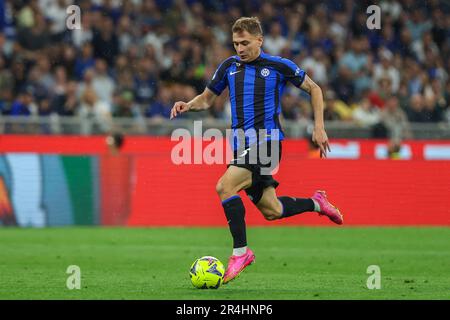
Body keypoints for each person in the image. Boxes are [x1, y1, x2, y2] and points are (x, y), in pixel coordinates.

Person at [170, 17, 343, 284]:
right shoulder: (229, 66)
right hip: (241, 146)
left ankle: (241, 252)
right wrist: (187, 104)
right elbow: (206, 99)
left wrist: (319, 127)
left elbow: (315, 89)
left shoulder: (278, 65)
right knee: (272, 210)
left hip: (268, 142)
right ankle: (316, 203)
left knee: (224, 187)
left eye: (245, 43)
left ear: (259, 41)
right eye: (236, 43)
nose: (240, 48)